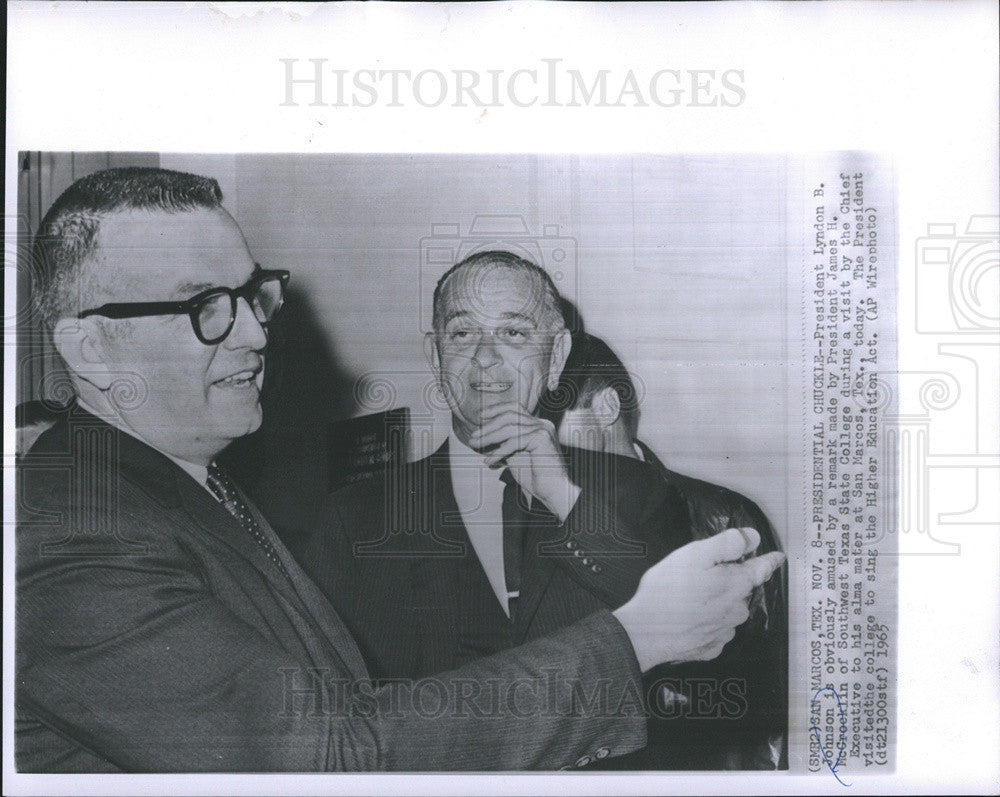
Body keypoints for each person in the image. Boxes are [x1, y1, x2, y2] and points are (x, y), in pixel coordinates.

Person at [15, 168, 784, 773]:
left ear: (555, 357)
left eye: (254, 295)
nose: (254, 332)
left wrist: (568, 501)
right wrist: (631, 638)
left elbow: (707, 653)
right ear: (90, 346)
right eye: (208, 306)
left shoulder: (190, 488)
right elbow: (327, 751)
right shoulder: (71, 532)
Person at [297, 250, 785, 770]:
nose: (485, 358)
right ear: (437, 357)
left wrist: (564, 498)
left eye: (513, 334)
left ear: (556, 359)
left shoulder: (632, 489)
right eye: (462, 334)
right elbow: (325, 720)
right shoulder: (356, 519)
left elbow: (695, 661)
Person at [553, 331, 788, 768]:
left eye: (548, 421)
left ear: (605, 408)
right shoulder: (527, 522)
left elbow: (765, 703)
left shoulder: (725, 518)